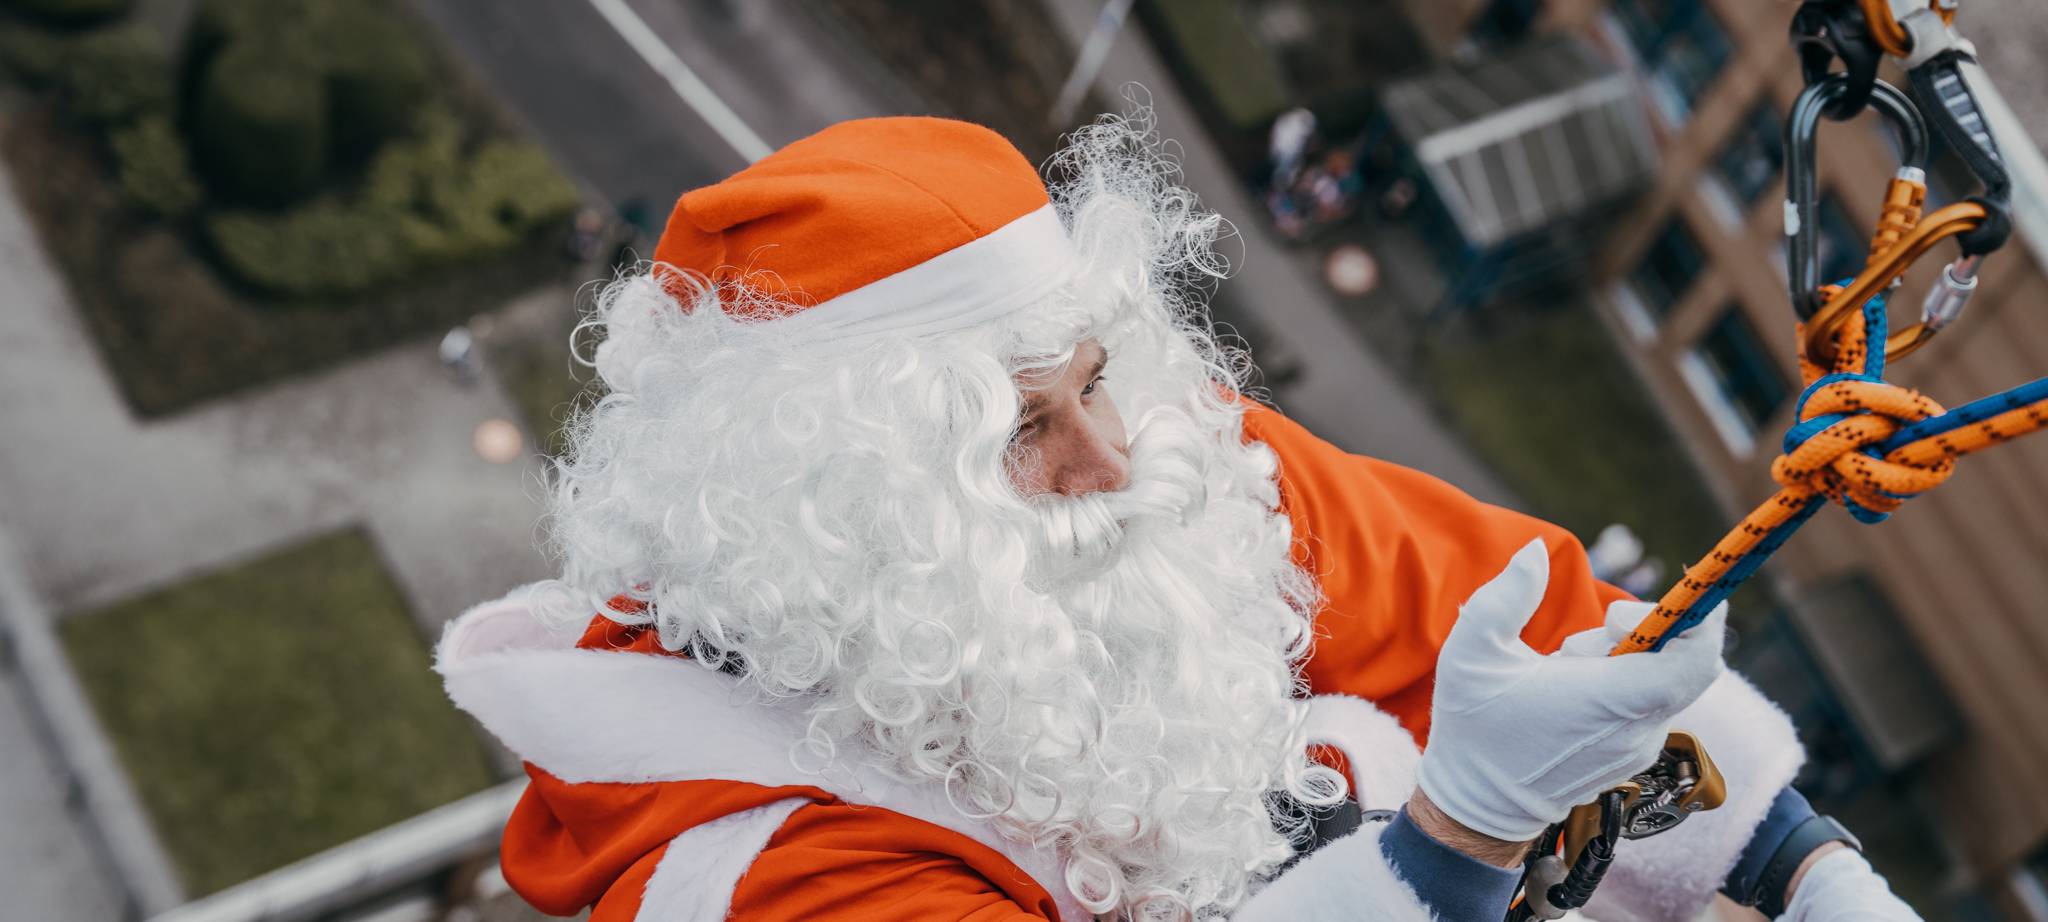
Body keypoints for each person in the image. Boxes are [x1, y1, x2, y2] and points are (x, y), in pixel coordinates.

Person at [436, 115, 1920, 920]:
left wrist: (1797, 862)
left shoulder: (1165, 472)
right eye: (1023, 427)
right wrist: (1446, 840)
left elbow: (1505, 605)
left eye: (1095, 380)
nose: (1109, 454)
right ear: (836, 511)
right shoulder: (753, 866)